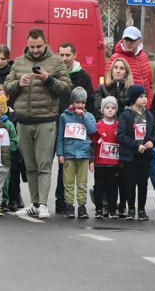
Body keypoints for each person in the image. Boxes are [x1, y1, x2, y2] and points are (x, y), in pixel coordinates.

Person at [5, 28, 71, 219]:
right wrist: (18, 84)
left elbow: (66, 88)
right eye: (32, 46)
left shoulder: (56, 61)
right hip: (24, 120)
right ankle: (33, 203)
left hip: (46, 119)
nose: (35, 50)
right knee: (30, 166)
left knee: (43, 165)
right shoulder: (18, 62)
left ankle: (43, 204)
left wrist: (48, 80)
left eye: (39, 46)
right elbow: (6, 87)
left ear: (46, 43)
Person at [54, 42, 96, 215]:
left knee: (81, 176)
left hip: (80, 126)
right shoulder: (55, 73)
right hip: (61, 120)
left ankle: (81, 205)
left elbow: (91, 100)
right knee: (63, 168)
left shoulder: (83, 76)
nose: (64, 59)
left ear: (74, 55)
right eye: (61, 55)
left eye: (68, 55)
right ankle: (62, 201)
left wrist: (86, 117)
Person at [116, 85, 155, 221]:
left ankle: (142, 209)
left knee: (143, 183)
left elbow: (153, 133)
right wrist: (136, 145)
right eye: (141, 97)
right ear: (134, 99)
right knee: (130, 183)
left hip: (144, 156)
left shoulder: (149, 116)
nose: (144, 99)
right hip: (130, 156)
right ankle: (131, 209)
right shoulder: (126, 115)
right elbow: (121, 135)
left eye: (145, 96)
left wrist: (151, 142)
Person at [57, 87, 97, 219]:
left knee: (82, 182)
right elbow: (60, 136)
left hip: (84, 154)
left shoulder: (89, 116)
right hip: (69, 154)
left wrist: (84, 117)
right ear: (72, 103)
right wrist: (60, 153)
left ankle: (81, 206)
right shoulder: (64, 117)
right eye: (77, 102)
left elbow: (92, 130)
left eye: (82, 103)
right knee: (68, 182)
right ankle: (69, 205)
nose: (80, 105)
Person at [91, 96, 121, 218]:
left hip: (114, 163)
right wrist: (91, 161)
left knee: (113, 186)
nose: (110, 110)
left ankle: (112, 209)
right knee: (99, 186)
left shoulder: (119, 126)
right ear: (103, 110)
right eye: (107, 107)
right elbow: (93, 144)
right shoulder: (97, 126)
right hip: (100, 162)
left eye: (113, 108)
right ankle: (99, 209)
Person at [107, 26, 153, 104]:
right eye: (126, 40)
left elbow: (150, 84)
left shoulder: (144, 57)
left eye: (132, 40)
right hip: (126, 106)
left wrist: (149, 103)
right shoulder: (115, 58)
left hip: (144, 106)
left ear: (139, 41)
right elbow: (108, 84)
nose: (128, 43)